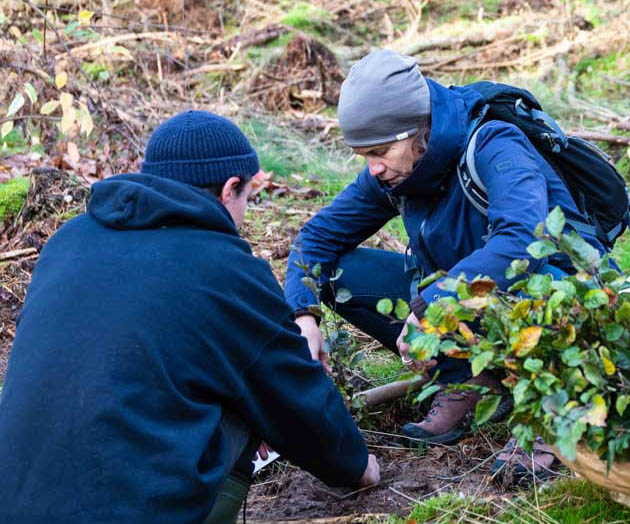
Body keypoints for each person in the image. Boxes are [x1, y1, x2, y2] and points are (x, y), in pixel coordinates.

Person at [0, 111, 379, 524]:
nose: (245, 217)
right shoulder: (224, 268)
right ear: (230, 188)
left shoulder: (66, 242)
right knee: (251, 393)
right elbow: (295, 395)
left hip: (15, 503)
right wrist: (357, 466)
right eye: (248, 198)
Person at [285, 49, 612, 479]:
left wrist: (434, 305)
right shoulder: (397, 170)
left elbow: (523, 241)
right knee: (343, 274)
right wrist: (303, 315)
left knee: (538, 280)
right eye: (364, 155)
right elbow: (317, 238)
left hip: (555, 295)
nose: (374, 168)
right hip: (471, 305)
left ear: (418, 127)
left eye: (381, 151)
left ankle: (552, 409)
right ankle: (467, 382)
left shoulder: (495, 144)